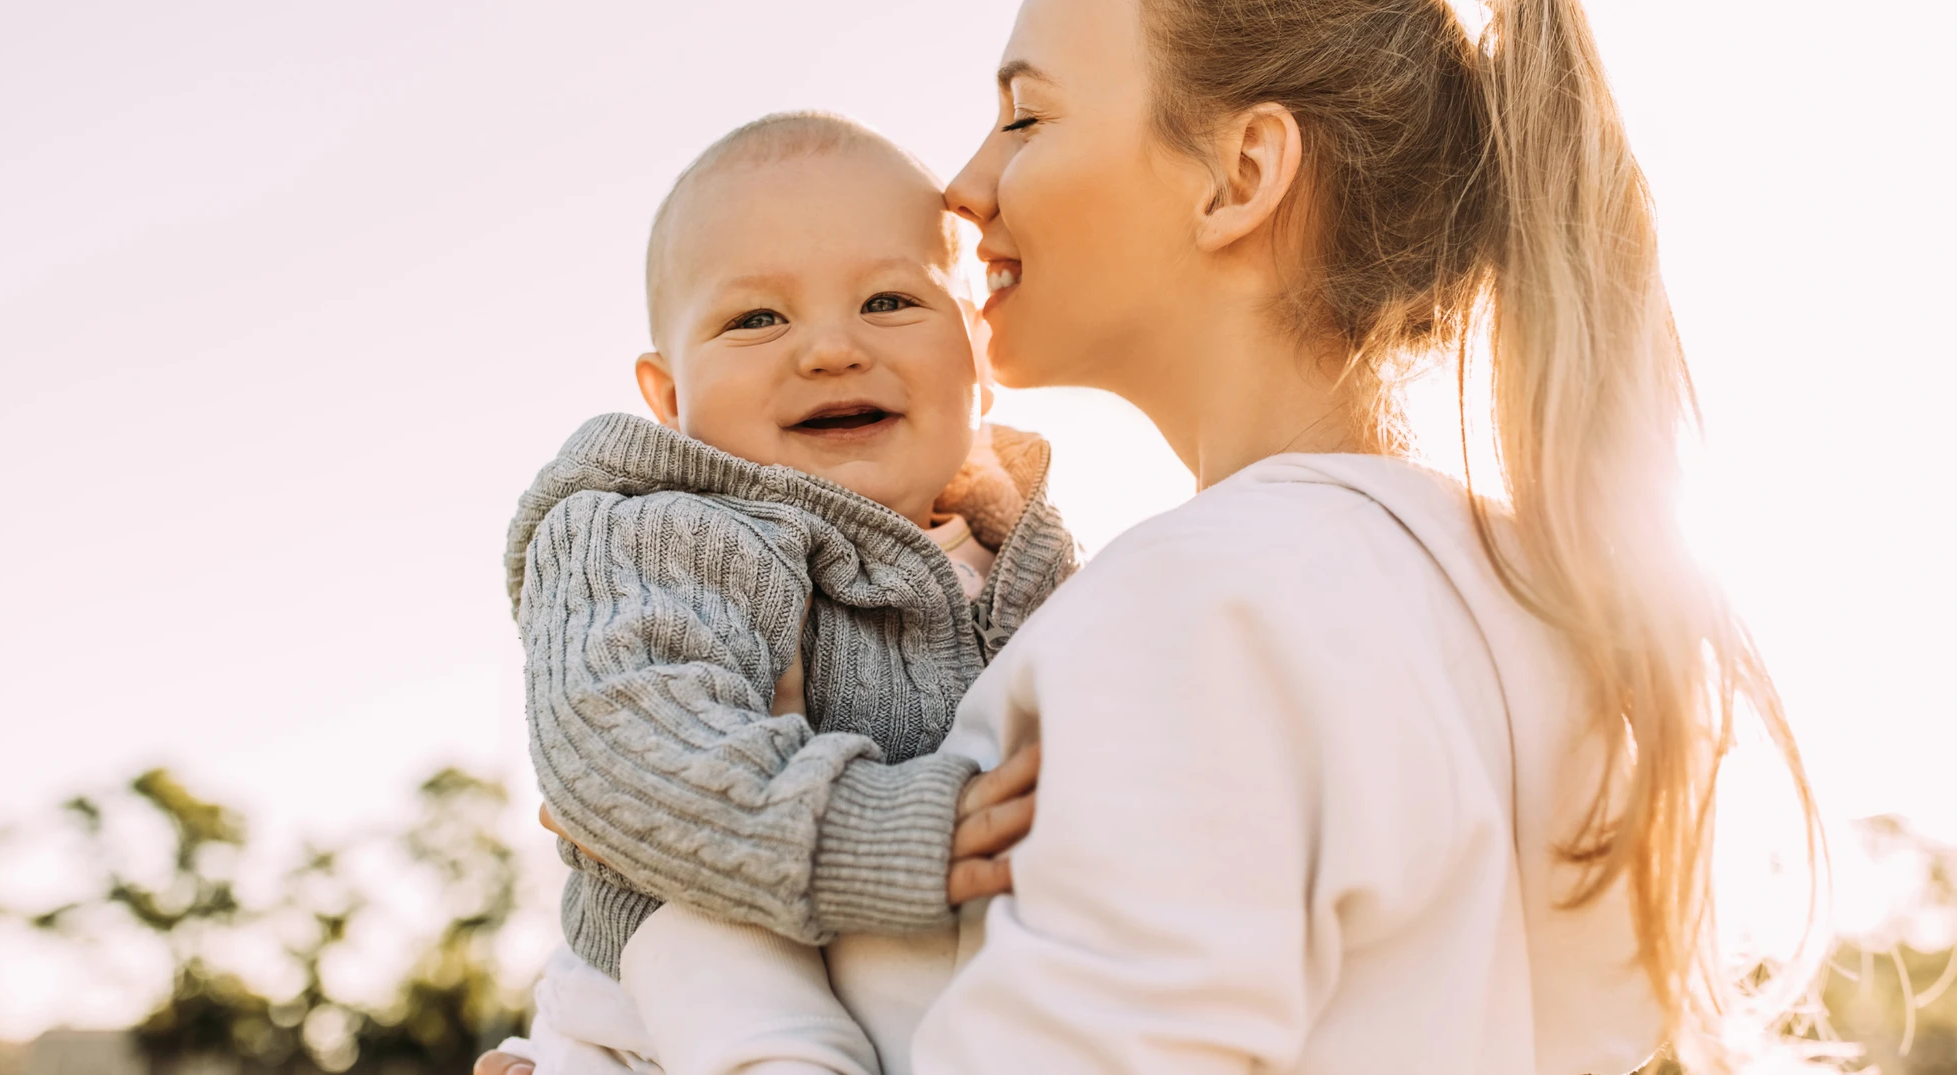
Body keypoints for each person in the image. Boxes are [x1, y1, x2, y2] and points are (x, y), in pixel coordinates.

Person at [480, 0, 1823, 1070]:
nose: (962, 185)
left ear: (1241, 174)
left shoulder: (1202, 611)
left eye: (1024, 114)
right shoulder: (1555, 613)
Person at [492, 112, 1076, 1075]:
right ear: (671, 399)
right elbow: (621, 729)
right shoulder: (660, 528)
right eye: (757, 318)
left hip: (932, 1005)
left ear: (978, 356)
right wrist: (872, 830)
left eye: (890, 301)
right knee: (732, 971)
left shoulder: (1029, 560)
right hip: (681, 991)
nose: (832, 349)